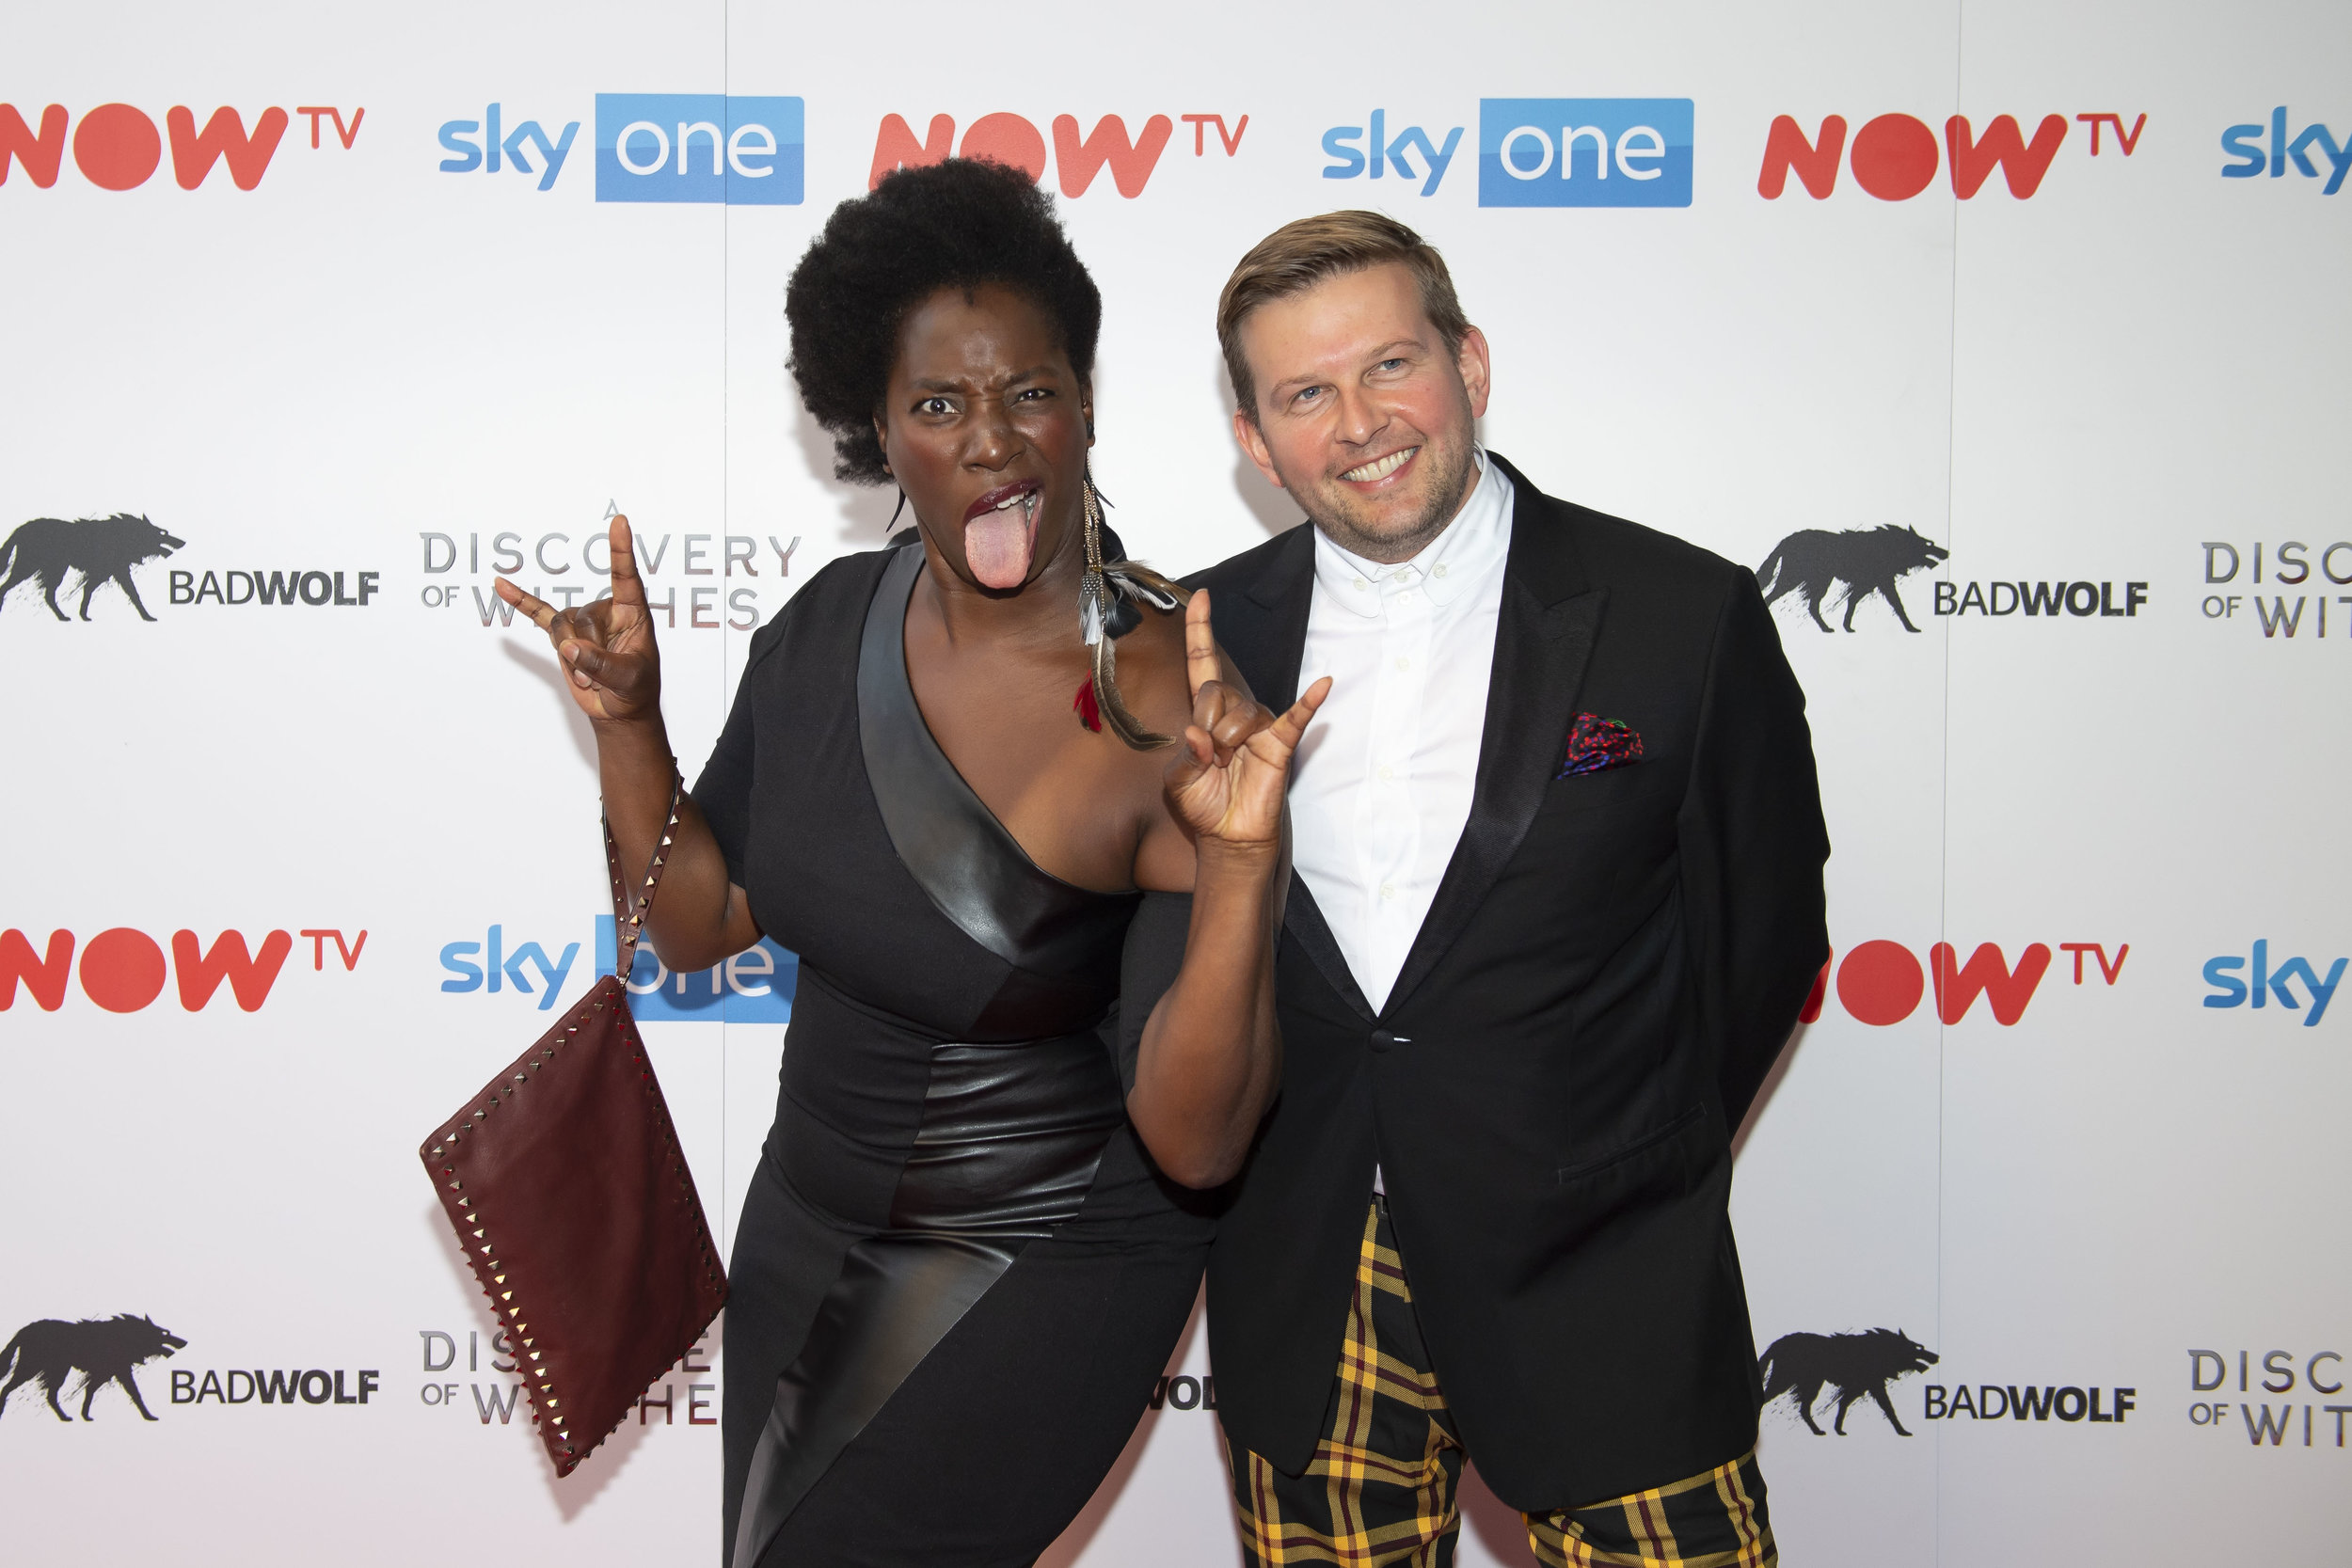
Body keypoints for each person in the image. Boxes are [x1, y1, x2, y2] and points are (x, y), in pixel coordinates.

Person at [497, 159, 1327, 1568]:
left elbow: (1198, 1140)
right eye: (938, 405)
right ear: (876, 429)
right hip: (805, 1222)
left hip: (1040, 1261)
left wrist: (1244, 862)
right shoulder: (827, 629)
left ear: (1083, 404)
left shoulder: (1170, 700)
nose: (994, 442)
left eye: (1033, 392)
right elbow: (700, 923)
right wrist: (631, 724)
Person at [1191, 211, 1829, 1567]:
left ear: (1470, 364)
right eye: (1306, 393)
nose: (1359, 421)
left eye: (1390, 366)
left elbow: (1762, 942)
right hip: (1312, 1280)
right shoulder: (1187, 642)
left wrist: (1612, 1142)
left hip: (1606, 1271)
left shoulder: (1681, 614)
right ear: (1257, 440)